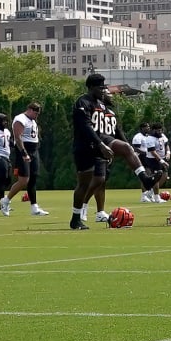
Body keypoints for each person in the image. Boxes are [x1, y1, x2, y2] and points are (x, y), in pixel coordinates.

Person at [71, 73, 120, 230]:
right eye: (100, 87)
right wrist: (101, 145)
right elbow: (86, 126)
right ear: (91, 87)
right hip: (85, 146)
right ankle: (76, 217)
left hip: (99, 147)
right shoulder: (83, 102)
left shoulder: (102, 104)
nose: (102, 90)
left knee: (100, 180)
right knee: (84, 184)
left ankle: (87, 214)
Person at [11, 102, 47, 216]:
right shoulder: (20, 119)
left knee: (33, 178)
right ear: (30, 110)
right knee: (23, 180)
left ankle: (34, 207)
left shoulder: (32, 121)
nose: (36, 116)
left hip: (34, 150)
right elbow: (18, 137)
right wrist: (24, 153)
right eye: (35, 113)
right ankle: (6, 200)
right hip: (24, 150)